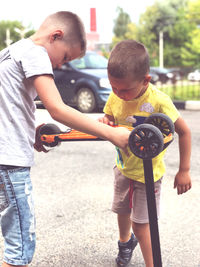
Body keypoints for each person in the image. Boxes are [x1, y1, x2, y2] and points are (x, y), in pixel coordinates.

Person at [0, 12, 131, 267]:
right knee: (19, 251)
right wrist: (110, 133)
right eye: (65, 57)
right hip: (10, 163)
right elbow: (58, 109)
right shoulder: (36, 53)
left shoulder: (11, 52)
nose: (60, 65)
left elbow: (10, 107)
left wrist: (33, 130)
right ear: (56, 36)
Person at [98, 40, 192, 267]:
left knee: (141, 224)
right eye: (113, 87)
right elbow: (109, 117)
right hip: (123, 168)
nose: (118, 94)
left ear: (145, 80)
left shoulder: (159, 101)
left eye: (125, 89)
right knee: (121, 210)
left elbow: (185, 132)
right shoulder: (115, 96)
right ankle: (124, 242)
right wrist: (106, 121)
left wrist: (184, 170)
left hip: (148, 176)